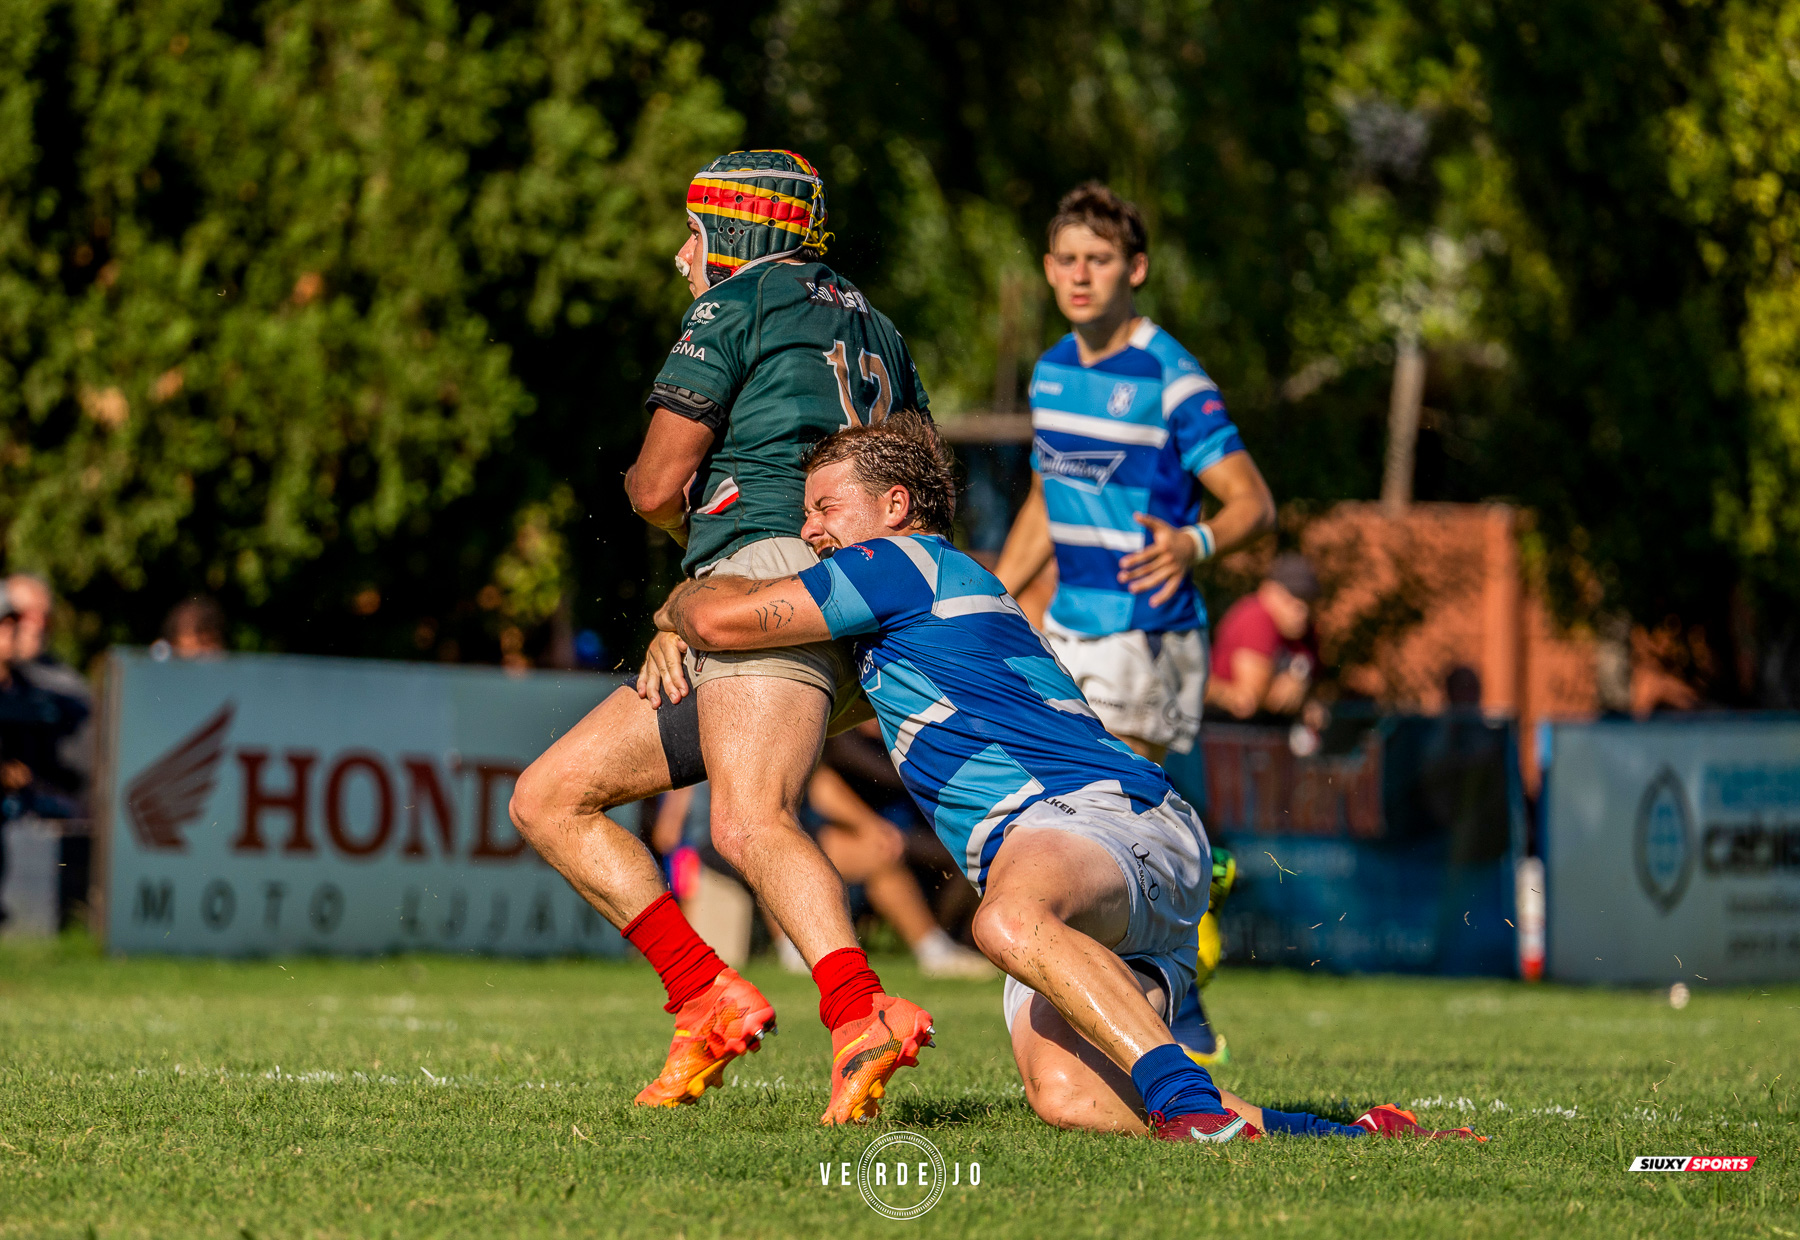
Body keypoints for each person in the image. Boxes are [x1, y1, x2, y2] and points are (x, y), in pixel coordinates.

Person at [647, 415, 1481, 1143]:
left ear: (895, 506)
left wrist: (677, 604)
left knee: (1005, 920)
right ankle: (1330, 1134)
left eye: (825, 507)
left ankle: (1192, 1105)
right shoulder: (909, 599)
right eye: (805, 513)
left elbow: (723, 618)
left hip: (1098, 819)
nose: (811, 529)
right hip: (1088, 852)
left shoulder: (898, 563)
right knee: (1069, 1097)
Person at [509, 149, 936, 1125]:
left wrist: (701, 569)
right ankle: (706, 994)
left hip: (765, 577)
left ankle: (858, 1011)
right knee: (550, 797)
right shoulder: (878, 324)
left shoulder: (733, 303)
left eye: (694, 234)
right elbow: (921, 479)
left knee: (747, 822)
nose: (679, 256)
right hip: (856, 589)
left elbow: (657, 485)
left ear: (734, 237)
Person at [994, 183, 1277, 1067]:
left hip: (1147, 631)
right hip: (1071, 625)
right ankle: (1180, 948)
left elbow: (1253, 503)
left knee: (1108, 827)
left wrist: (1194, 541)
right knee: (1080, 820)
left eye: (1100, 259)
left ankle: (1167, 1006)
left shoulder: (1171, 377)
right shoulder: (1050, 371)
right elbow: (1048, 494)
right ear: (1048, 269)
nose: (1081, 276)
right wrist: (995, 598)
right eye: (1067, 259)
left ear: (1136, 269)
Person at [1205, 554, 1321, 720]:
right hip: (1225, 729)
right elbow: (1249, 699)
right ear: (1268, 591)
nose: (1302, 610)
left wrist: (1303, 691)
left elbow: (1317, 687)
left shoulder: (1305, 632)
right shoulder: (1257, 617)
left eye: (1307, 600)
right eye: (1292, 598)